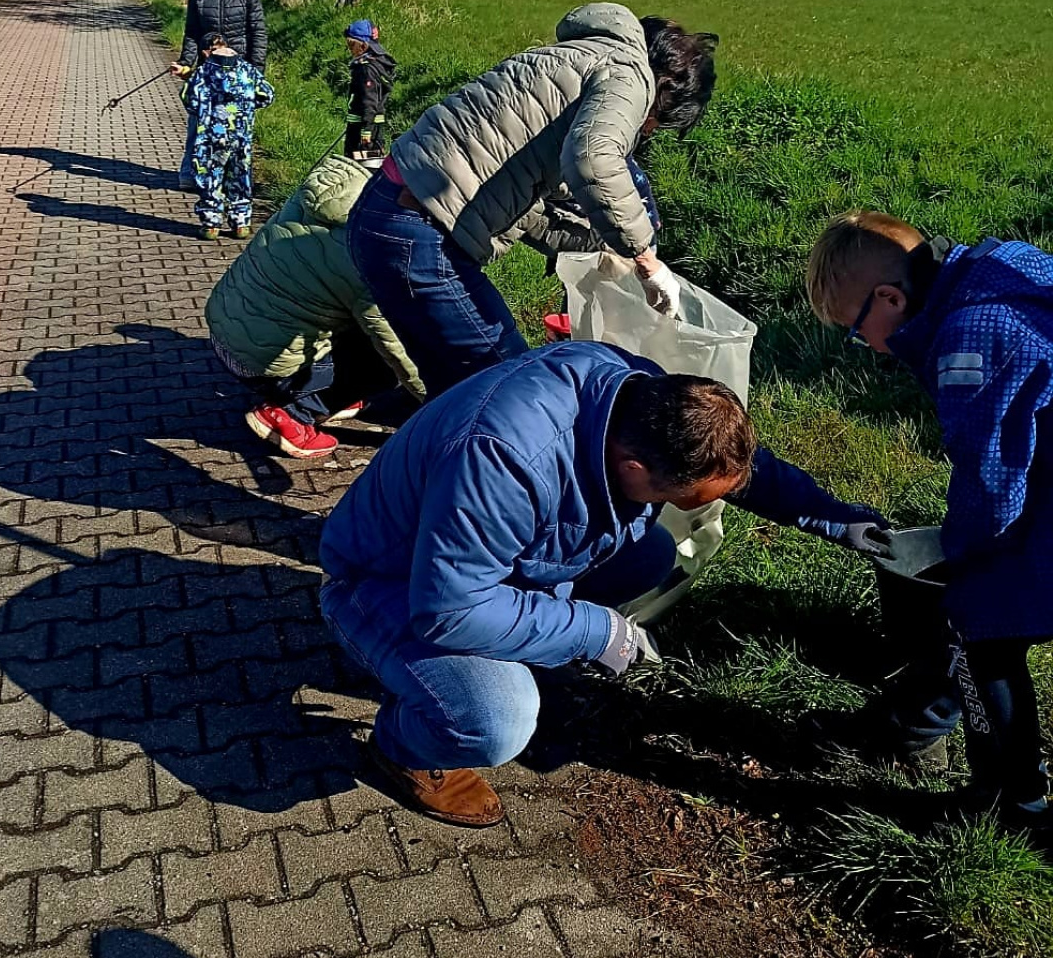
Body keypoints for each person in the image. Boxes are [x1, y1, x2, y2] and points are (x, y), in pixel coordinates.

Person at [320, 340, 892, 827]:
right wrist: (595, 631)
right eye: (679, 498)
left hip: (484, 566)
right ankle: (403, 745)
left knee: (653, 554)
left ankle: (512, 648)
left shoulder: (643, 399)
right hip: (388, 583)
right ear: (634, 469)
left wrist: (836, 520)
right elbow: (450, 611)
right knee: (498, 720)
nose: (685, 507)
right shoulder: (503, 458)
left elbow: (736, 470)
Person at [807, 212, 1053, 832]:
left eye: (857, 330)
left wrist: (958, 554)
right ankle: (916, 723)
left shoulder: (971, 344)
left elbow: (990, 481)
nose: (869, 346)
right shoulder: (1004, 264)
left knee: (981, 624)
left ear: (890, 298)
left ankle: (1011, 805)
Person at [345, 4, 717, 399]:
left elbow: (519, 206)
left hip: (382, 215)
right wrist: (645, 257)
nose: (648, 130)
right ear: (667, 91)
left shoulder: (576, 59)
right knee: (508, 390)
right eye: (658, 123)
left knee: (453, 393)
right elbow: (593, 160)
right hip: (419, 230)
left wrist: (601, 243)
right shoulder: (630, 75)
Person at [206, 154, 423, 459]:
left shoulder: (324, 199)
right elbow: (396, 346)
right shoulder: (373, 251)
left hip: (224, 330)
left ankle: (329, 395)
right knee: (385, 365)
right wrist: (438, 398)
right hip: (259, 362)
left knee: (346, 318)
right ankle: (292, 414)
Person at [172, 0, 267, 189]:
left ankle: (234, 177)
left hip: (238, 72)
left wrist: (257, 71)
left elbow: (258, 32)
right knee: (198, 120)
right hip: (208, 71)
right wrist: (185, 62)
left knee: (235, 127)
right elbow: (192, 32)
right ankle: (190, 172)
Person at [183, 31, 273, 240]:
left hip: (211, 137)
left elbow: (189, 100)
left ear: (206, 53)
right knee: (240, 176)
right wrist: (247, 107)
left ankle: (211, 224)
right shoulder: (248, 70)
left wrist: (206, 110)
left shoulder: (203, 72)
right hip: (241, 136)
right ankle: (241, 223)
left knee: (210, 177)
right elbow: (267, 94)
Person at [343, 19, 396, 160]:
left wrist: (366, 132)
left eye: (351, 44)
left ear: (363, 46)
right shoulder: (376, 64)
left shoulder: (366, 69)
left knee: (360, 166)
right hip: (370, 128)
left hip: (364, 133)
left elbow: (369, 102)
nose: (349, 49)